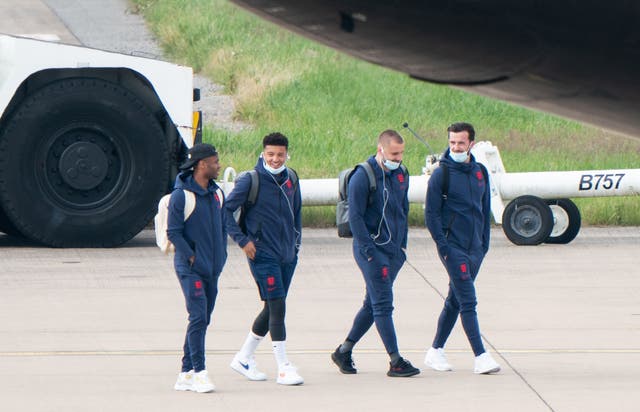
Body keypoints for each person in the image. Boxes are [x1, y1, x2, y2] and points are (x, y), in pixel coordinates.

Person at [331, 129, 420, 378]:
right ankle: (395, 360)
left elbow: (403, 210)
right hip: (371, 251)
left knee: (372, 304)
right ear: (381, 149)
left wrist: (402, 247)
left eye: (401, 153)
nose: (398, 158)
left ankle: (343, 350)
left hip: (393, 252)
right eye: (394, 153)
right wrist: (369, 250)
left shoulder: (402, 174)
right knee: (383, 304)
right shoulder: (363, 176)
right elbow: (356, 216)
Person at [224, 132, 303, 385]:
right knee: (278, 306)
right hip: (262, 254)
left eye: (280, 154)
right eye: (271, 154)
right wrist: (242, 240)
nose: (276, 159)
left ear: (287, 154)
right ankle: (283, 367)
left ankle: (244, 357)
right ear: (263, 153)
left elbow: (297, 212)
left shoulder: (291, 178)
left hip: (288, 254)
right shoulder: (251, 180)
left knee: (271, 307)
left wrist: (296, 243)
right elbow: (225, 211)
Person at [424, 122, 501, 374]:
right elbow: (432, 215)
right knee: (468, 300)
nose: (455, 147)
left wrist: (484, 243)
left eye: (460, 143)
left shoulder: (480, 171)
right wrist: (443, 246)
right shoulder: (440, 175)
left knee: (455, 300)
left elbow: (484, 208)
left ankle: (435, 351)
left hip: (476, 248)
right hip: (452, 248)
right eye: (451, 143)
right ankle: (480, 356)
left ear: (470, 144)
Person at [168, 143, 228, 392]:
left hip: (212, 269)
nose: (219, 165)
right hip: (190, 269)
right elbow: (174, 232)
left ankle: (185, 372)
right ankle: (200, 372)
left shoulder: (217, 194)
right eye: (215, 161)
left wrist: (221, 257)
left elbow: (223, 228)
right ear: (202, 164)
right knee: (198, 316)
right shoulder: (181, 196)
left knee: (202, 320)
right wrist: (191, 257)